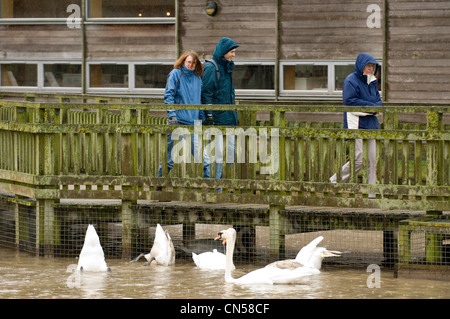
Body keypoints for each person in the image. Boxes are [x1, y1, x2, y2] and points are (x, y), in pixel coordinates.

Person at [329, 53, 382, 197]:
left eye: (372, 66)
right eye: (368, 65)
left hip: (371, 123)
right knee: (358, 158)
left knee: (373, 159)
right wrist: (371, 108)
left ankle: (372, 193)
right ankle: (334, 181)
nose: (371, 68)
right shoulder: (350, 81)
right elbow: (350, 101)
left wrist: (371, 108)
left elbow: (379, 102)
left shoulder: (372, 81)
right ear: (361, 65)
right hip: (356, 123)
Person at [158, 50, 205, 177]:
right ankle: (159, 184)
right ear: (183, 61)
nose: (191, 65)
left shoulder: (197, 77)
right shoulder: (175, 74)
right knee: (169, 159)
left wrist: (202, 117)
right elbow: (169, 95)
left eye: (194, 63)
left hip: (193, 122)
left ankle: (213, 189)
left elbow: (199, 99)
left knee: (203, 157)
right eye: (189, 62)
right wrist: (172, 114)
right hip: (177, 121)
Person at [202, 37, 239, 181]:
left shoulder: (227, 67)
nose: (233, 55)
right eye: (232, 52)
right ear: (223, 52)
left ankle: (226, 183)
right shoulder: (212, 68)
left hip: (229, 117)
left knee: (231, 153)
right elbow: (206, 93)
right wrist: (209, 115)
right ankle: (215, 185)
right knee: (216, 154)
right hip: (217, 119)